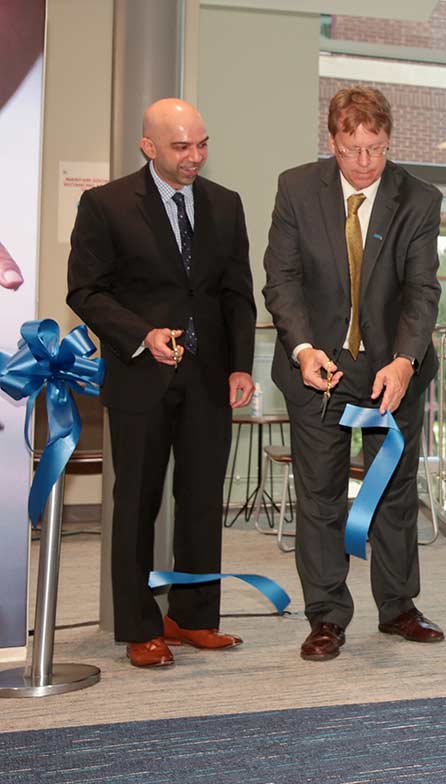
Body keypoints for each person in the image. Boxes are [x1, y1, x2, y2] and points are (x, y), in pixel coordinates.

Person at [67, 98, 256, 668]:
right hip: (139, 379)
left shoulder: (226, 204)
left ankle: (195, 617)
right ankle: (140, 626)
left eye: (201, 144)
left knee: (201, 502)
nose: (194, 156)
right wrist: (142, 333)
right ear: (148, 146)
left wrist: (240, 365)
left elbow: (236, 294)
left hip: (207, 381)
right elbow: (86, 291)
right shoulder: (104, 205)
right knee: (137, 505)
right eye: (181, 146)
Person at [262, 86, 445, 662]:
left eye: (376, 149)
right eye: (351, 150)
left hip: (393, 370)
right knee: (320, 496)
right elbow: (281, 281)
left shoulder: (418, 198)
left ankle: (397, 607)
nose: (364, 163)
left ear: (389, 141)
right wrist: (303, 349)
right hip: (319, 368)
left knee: (393, 489)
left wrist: (404, 359)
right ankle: (326, 617)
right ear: (332, 140)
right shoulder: (296, 189)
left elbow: (421, 288)